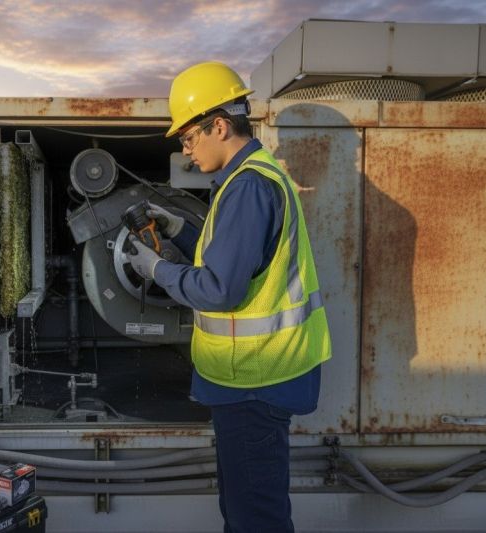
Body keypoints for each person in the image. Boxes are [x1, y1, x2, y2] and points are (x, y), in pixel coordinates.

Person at [127, 61, 332, 532]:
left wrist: (157, 268)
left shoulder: (248, 188)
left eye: (189, 138)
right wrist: (179, 231)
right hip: (259, 378)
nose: (186, 151)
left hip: (254, 380)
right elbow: (236, 257)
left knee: (254, 517)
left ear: (219, 125)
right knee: (246, 507)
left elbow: (219, 290)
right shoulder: (252, 179)